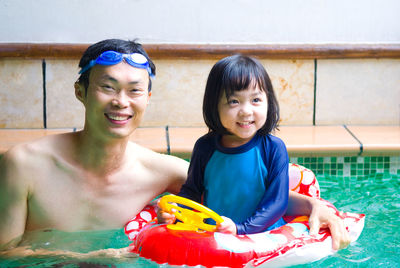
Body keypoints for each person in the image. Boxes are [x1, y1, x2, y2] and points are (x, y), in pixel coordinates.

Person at [0, 39, 350, 254]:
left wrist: (313, 204)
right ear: (81, 92)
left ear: (148, 98)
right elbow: (5, 254)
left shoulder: (159, 171)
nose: (122, 102)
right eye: (108, 87)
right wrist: (101, 258)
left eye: (135, 90)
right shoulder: (22, 166)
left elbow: (240, 191)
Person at [159, 55, 288, 235]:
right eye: (234, 101)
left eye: (256, 100)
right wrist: (174, 212)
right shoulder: (205, 147)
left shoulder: (273, 148)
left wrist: (241, 228)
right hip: (216, 234)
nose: (246, 111)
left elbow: (277, 202)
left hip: (263, 235)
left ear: (269, 102)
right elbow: (192, 192)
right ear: (214, 106)